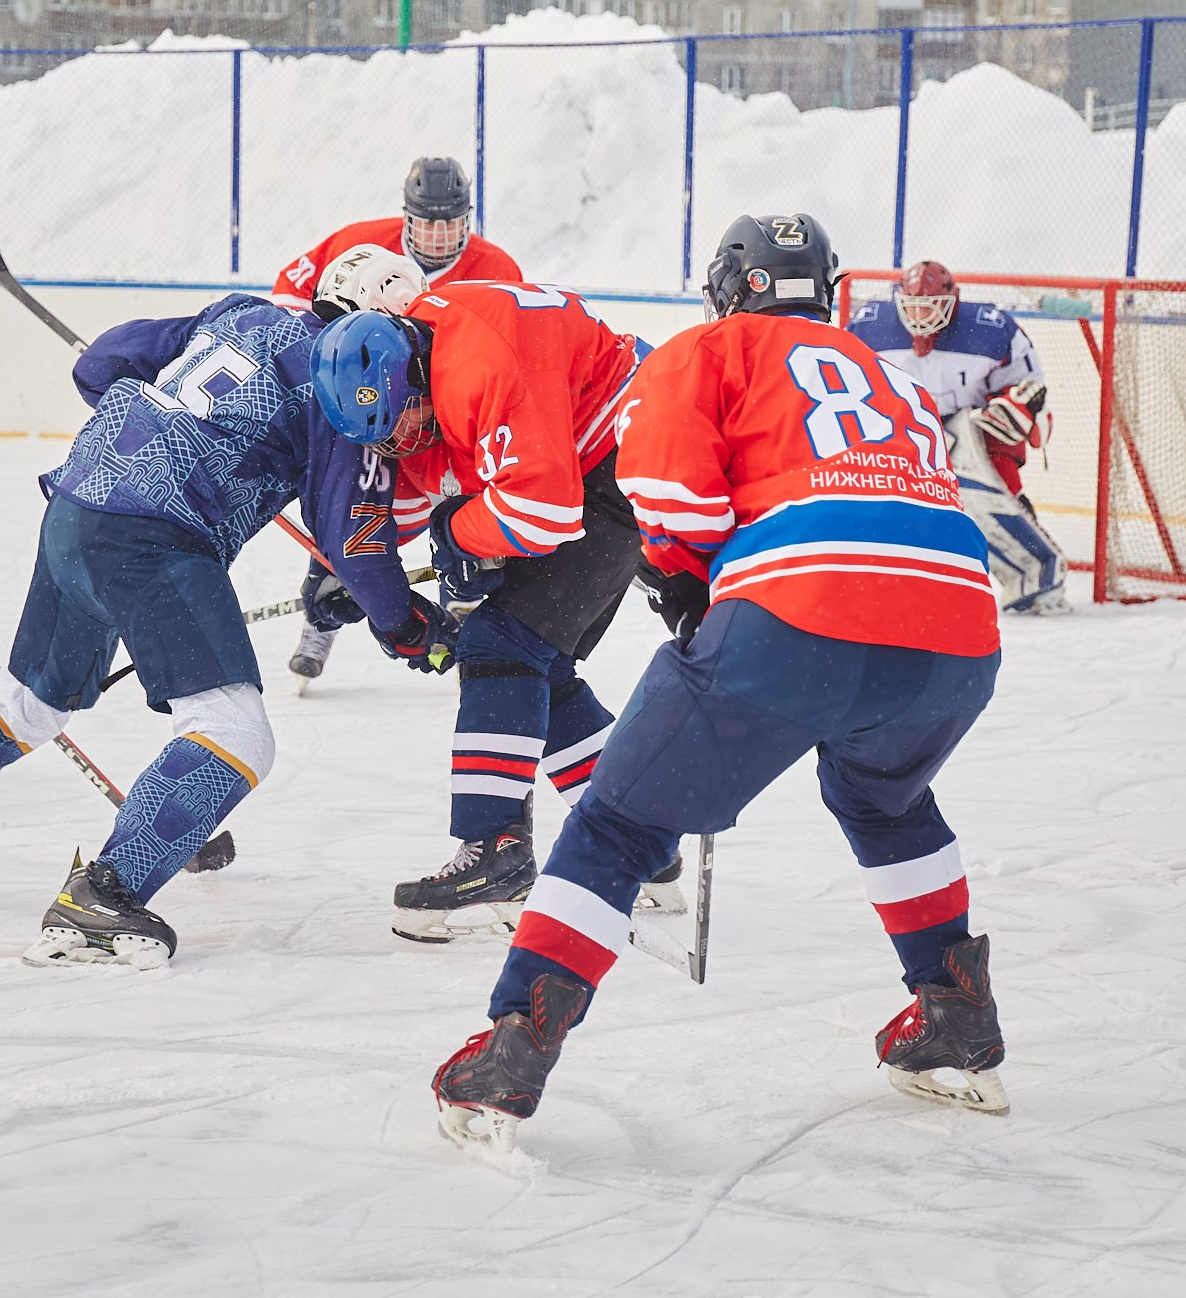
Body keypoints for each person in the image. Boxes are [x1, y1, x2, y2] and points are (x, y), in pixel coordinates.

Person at [429, 214, 1010, 1153]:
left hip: (802, 607)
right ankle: (957, 1014)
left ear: (729, 287)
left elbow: (669, 496)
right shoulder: (890, 371)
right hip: (957, 626)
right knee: (885, 798)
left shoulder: (708, 348)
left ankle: (516, 1042)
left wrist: (692, 577)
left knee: (618, 823)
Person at [0, 285, 453, 970]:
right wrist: (407, 627)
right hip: (156, 536)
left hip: (80, 499)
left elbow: (98, 365)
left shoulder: (242, 313)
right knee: (234, 728)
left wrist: (179, 438)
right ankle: (102, 895)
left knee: (29, 699)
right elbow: (355, 543)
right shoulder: (348, 382)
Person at [311, 275, 650, 942]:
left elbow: (545, 510)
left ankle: (495, 852)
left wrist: (459, 533)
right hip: (591, 458)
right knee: (532, 667)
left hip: (626, 456)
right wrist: (342, 573)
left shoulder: (473, 365)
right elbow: (409, 496)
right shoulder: (422, 367)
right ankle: (638, 836)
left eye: (401, 423)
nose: (398, 442)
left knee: (499, 644)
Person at [273, 155, 523, 686]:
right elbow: (290, 296)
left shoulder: (498, 268)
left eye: (450, 224)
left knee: (469, 506)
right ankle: (327, 603)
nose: (438, 237)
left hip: (449, 418)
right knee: (358, 514)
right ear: (407, 218)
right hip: (374, 412)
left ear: (468, 218)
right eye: (428, 223)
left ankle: (463, 607)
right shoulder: (361, 244)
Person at [850, 260, 1068, 615]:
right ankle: (876, 576)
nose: (921, 315)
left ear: (954, 302)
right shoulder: (868, 325)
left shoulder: (992, 328)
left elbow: (1028, 390)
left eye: (931, 306)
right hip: (898, 432)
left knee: (997, 485)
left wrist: (1013, 407)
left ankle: (1036, 575)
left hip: (970, 435)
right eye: (913, 306)